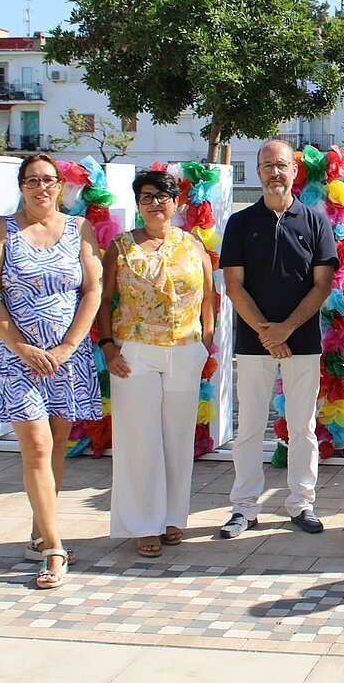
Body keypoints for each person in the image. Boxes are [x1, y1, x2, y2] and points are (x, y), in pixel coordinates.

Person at [0, 153, 103, 589]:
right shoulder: (1, 230)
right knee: (36, 445)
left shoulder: (78, 228)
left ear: (60, 185)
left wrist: (68, 345)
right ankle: (53, 547)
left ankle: (36, 530)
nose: (41, 188)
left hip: (67, 358)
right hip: (17, 358)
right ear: (21, 185)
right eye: (32, 180)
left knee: (58, 445)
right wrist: (21, 345)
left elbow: (92, 290)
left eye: (49, 180)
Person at [218, 140, 337, 538]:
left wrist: (286, 328)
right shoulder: (240, 223)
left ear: (294, 171)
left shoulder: (316, 223)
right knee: (250, 426)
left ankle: (302, 503)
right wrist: (267, 334)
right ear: (257, 171)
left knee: (302, 426)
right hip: (254, 343)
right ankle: (243, 508)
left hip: (301, 340)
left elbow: (322, 286)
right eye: (267, 165)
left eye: (281, 165)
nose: (275, 172)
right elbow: (234, 286)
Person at [97, 170, 214, 558]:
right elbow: (103, 298)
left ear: (176, 202)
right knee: (139, 439)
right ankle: (143, 523)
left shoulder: (193, 245)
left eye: (163, 196)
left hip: (184, 349)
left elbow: (210, 298)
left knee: (177, 437)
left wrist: (206, 341)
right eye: (146, 197)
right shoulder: (121, 246)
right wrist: (108, 345)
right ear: (138, 203)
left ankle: (172, 517)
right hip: (135, 352)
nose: (155, 203)